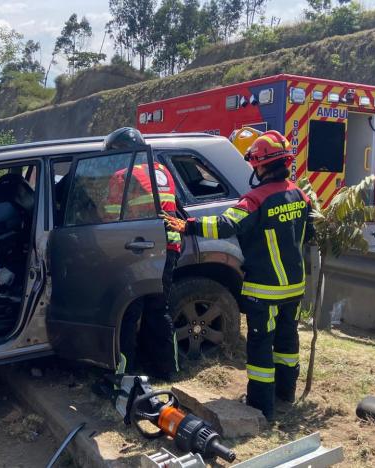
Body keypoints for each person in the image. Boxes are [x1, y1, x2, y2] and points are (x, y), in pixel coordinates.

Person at [164, 130, 314, 420]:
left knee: (260, 346)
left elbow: (224, 226)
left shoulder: (255, 200)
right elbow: (309, 235)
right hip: (294, 286)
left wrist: (188, 226)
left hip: (265, 289)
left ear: (261, 165)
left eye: (255, 163)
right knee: (287, 340)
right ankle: (286, 393)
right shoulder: (300, 195)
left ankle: (261, 406)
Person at [103, 127, 180, 380]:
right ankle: (166, 370)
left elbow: (109, 216)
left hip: (139, 249)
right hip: (168, 247)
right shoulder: (161, 171)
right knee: (159, 310)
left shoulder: (122, 176)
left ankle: (124, 375)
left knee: (128, 312)